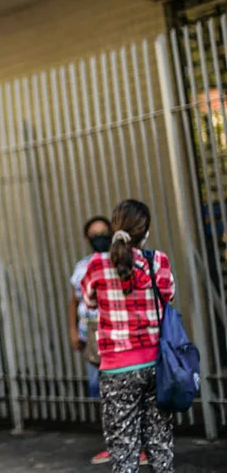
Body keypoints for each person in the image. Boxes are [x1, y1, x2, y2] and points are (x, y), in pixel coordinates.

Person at [81, 200, 175, 473]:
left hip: (117, 370)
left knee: (124, 452)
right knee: (160, 446)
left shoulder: (97, 264)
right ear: (145, 232)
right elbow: (168, 297)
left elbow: (88, 301)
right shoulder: (158, 260)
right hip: (156, 366)